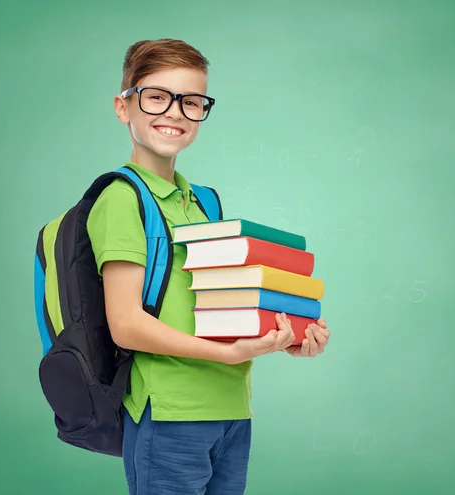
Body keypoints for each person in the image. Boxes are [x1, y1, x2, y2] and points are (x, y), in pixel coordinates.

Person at [86, 38, 331, 495]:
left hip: (232, 409)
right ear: (124, 107)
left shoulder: (205, 202)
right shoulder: (121, 200)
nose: (175, 112)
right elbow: (126, 324)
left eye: (191, 101)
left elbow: (218, 308)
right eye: (157, 96)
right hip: (170, 412)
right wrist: (227, 354)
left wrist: (285, 338)